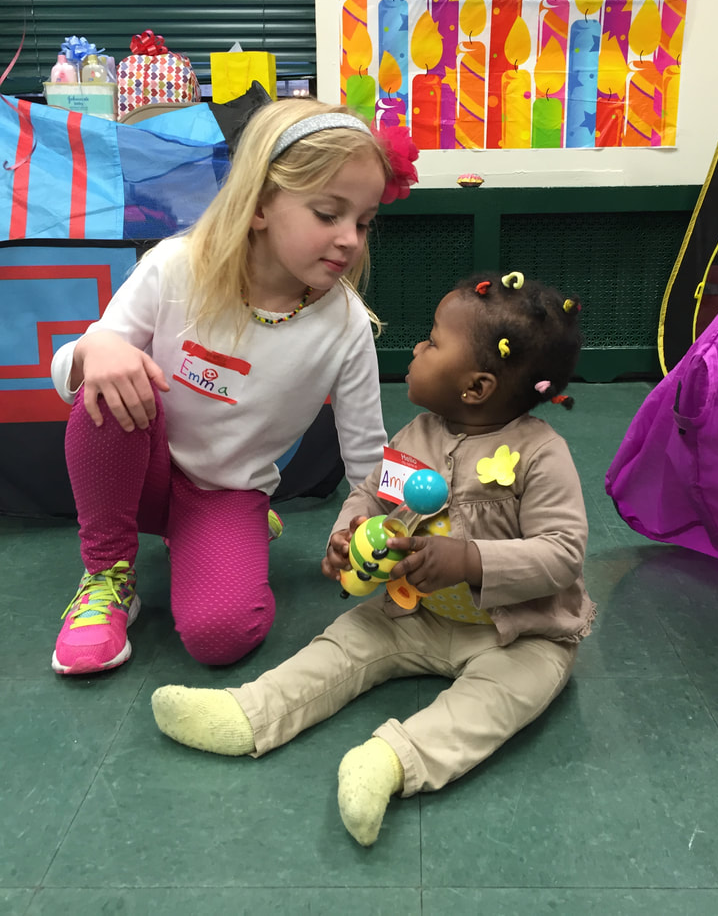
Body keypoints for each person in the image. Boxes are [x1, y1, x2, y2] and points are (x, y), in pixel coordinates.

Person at [151, 270, 596, 847]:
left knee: (499, 699)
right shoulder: (417, 435)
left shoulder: (541, 454)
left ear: (476, 387)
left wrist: (469, 560)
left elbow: (562, 553)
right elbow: (371, 494)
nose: (416, 349)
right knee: (342, 644)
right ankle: (249, 714)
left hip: (520, 633)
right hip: (417, 612)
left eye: (432, 342)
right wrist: (347, 533)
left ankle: (390, 762)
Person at [50, 98, 418, 677]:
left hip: (224, 492)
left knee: (221, 636)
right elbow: (68, 377)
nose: (350, 239)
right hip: (138, 473)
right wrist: (93, 349)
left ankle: (224, 533)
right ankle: (106, 574)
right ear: (261, 204)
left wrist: (384, 526)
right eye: (328, 214)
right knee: (108, 386)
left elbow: (368, 454)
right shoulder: (176, 266)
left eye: (363, 221)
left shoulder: (346, 325)